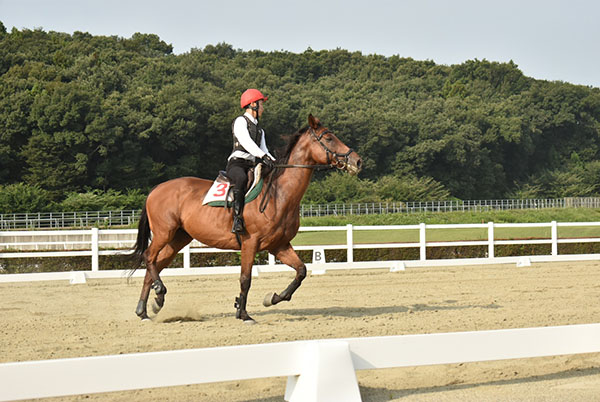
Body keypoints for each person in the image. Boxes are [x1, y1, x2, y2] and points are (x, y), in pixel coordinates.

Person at [226, 88, 276, 234]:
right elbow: (247, 142)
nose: (263, 108)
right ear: (253, 104)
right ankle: (237, 219)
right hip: (237, 163)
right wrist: (262, 156)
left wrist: (275, 162)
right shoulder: (240, 121)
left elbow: (264, 150)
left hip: (252, 165)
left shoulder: (260, 130)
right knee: (241, 178)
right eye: (261, 104)